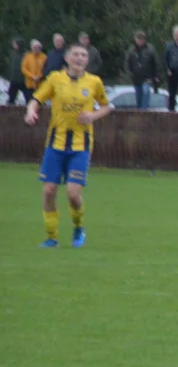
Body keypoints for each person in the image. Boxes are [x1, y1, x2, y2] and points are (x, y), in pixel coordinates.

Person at [23, 44, 112, 248]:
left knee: (73, 193)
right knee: (49, 191)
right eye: (76, 54)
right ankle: (52, 237)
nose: (79, 58)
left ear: (87, 61)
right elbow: (36, 99)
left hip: (81, 146)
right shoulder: (55, 78)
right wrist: (31, 112)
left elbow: (106, 106)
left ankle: (78, 226)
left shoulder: (94, 82)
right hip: (55, 144)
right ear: (67, 58)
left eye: (83, 55)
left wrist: (93, 115)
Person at [125, 30, 160, 109]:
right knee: (138, 96)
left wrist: (156, 76)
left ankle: (144, 111)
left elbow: (155, 63)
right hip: (136, 78)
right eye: (138, 39)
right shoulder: (131, 50)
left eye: (142, 39)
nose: (140, 41)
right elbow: (127, 63)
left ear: (144, 39)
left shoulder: (150, 50)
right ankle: (139, 111)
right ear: (135, 40)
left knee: (146, 91)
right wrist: (130, 74)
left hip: (147, 77)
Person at [7, 38, 25, 105]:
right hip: (14, 79)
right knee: (11, 98)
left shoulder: (25, 54)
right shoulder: (12, 53)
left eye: (15, 43)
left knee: (29, 97)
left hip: (23, 79)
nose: (14, 45)